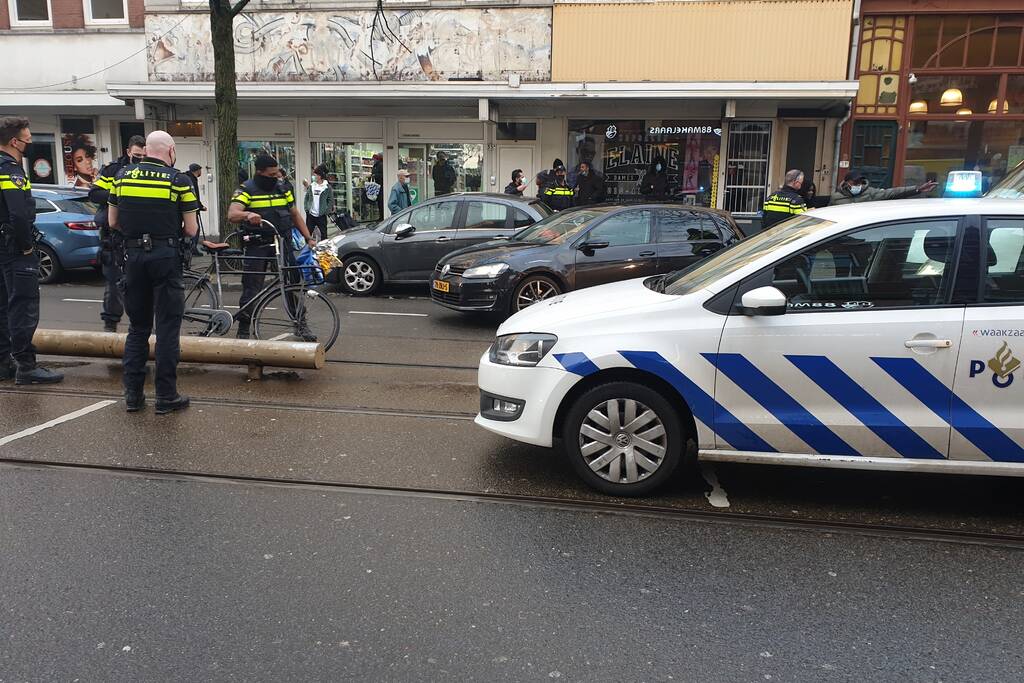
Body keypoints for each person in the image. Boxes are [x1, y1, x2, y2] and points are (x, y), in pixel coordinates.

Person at [107, 130, 198, 413]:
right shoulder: (179, 180)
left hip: (132, 257)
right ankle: (166, 396)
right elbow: (192, 229)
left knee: (137, 328)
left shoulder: (121, 177)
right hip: (166, 256)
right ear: (170, 151)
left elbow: (112, 221)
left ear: (146, 150)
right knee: (168, 328)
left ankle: (133, 396)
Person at [0, 116, 63, 385]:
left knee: (4, 306)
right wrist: (26, 246)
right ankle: (26, 366)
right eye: (27, 139)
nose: (30, 144)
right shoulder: (11, 170)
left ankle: (4, 364)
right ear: (14, 141)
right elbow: (18, 214)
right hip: (14, 249)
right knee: (23, 307)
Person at [227, 154, 316, 341]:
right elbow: (233, 214)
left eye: (278, 174)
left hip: (282, 242)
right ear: (260, 172)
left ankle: (300, 324)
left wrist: (308, 237)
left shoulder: (283, 188)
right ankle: (244, 327)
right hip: (257, 245)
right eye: (272, 174)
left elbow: (295, 214)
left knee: (291, 284)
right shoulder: (246, 190)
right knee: (252, 287)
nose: (277, 177)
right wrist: (247, 214)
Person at [89, 135, 146, 333]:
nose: (140, 159)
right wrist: (120, 193)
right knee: (114, 283)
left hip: (136, 234)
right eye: (137, 155)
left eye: (143, 156)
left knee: (138, 284)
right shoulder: (113, 170)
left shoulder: (148, 171)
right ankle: (110, 324)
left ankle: (138, 326)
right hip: (114, 235)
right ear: (128, 151)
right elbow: (94, 193)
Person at [830, 170, 938, 205]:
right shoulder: (836, 198)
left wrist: (918, 189)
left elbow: (893, 192)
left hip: (862, 236)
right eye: (855, 183)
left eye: (860, 182)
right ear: (847, 182)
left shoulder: (871, 193)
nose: (858, 185)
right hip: (842, 236)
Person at [303, 164, 335, 241]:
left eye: (315, 175)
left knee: (324, 235)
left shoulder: (327, 187)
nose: (314, 176)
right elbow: (307, 197)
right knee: (308, 234)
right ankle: (308, 250)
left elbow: (330, 200)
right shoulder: (312, 186)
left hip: (321, 215)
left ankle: (323, 251)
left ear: (320, 176)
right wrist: (307, 209)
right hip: (311, 215)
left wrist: (326, 211)